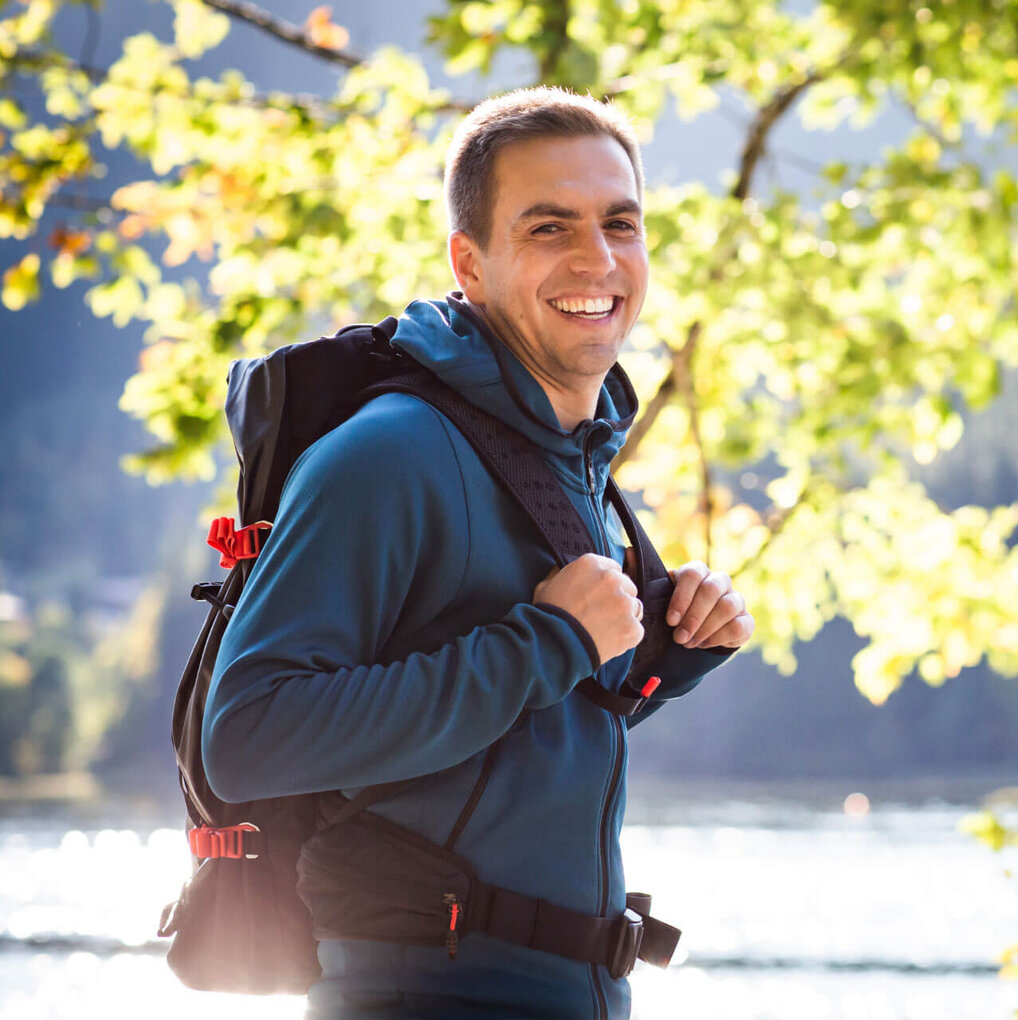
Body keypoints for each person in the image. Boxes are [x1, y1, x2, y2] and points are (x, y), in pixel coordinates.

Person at [201, 87, 751, 1019]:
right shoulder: (391, 455)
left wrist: (665, 656)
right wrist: (546, 642)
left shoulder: (566, 458)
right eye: (549, 228)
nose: (598, 259)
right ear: (472, 264)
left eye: (622, 223)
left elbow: (503, 743)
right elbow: (248, 737)